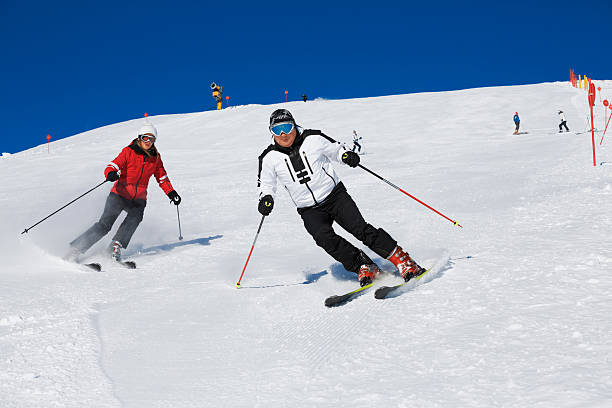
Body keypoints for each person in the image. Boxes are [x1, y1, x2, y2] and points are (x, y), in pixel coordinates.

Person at [257, 109, 425, 287]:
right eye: (277, 130)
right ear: (271, 132)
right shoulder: (269, 158)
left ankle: (403, 260)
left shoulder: (313, 138)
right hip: (308, 209)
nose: (283, 134)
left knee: (360, 229)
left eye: (286, 127)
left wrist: (345, 155)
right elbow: (265, 184)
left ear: (294, 125)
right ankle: (364, 265)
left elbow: (336, 150)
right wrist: (266, 197)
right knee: (324, 239)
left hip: (334, 196)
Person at [67, 123, 181, 262]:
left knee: (135, 217)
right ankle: (75, 250)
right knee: (105, 225)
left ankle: (115, 247)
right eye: (145, 138)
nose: (148, 142)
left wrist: (171, 193)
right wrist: (110, 173)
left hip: (138, 198)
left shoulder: (155, 158)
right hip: (120, 194)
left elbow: (162, 178)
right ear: (139, 138)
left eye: (151, 139)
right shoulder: (128, 151)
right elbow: (113, 165)